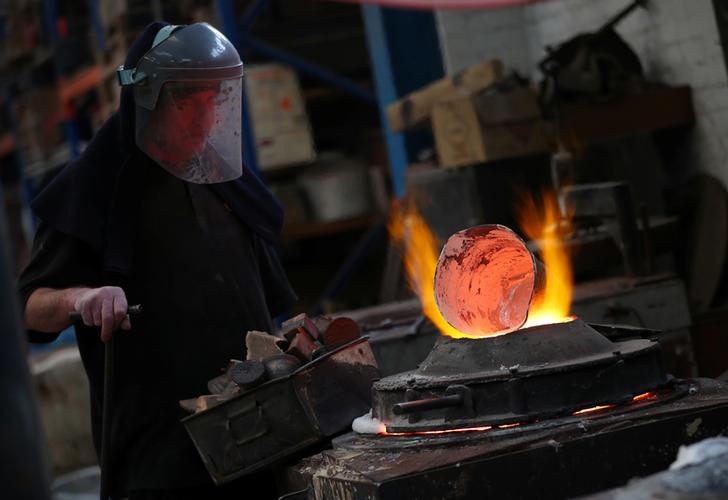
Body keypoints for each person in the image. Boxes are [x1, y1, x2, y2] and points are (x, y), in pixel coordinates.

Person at [18, 22, 296, 499]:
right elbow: (27, 305)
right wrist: (82, 297)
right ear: (147, 100)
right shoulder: (95, 188)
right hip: (162, 456)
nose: (204, 119)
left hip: (257, 430)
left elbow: (275, 307)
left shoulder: (226, 181)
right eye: (187, 103)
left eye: (214, 100)